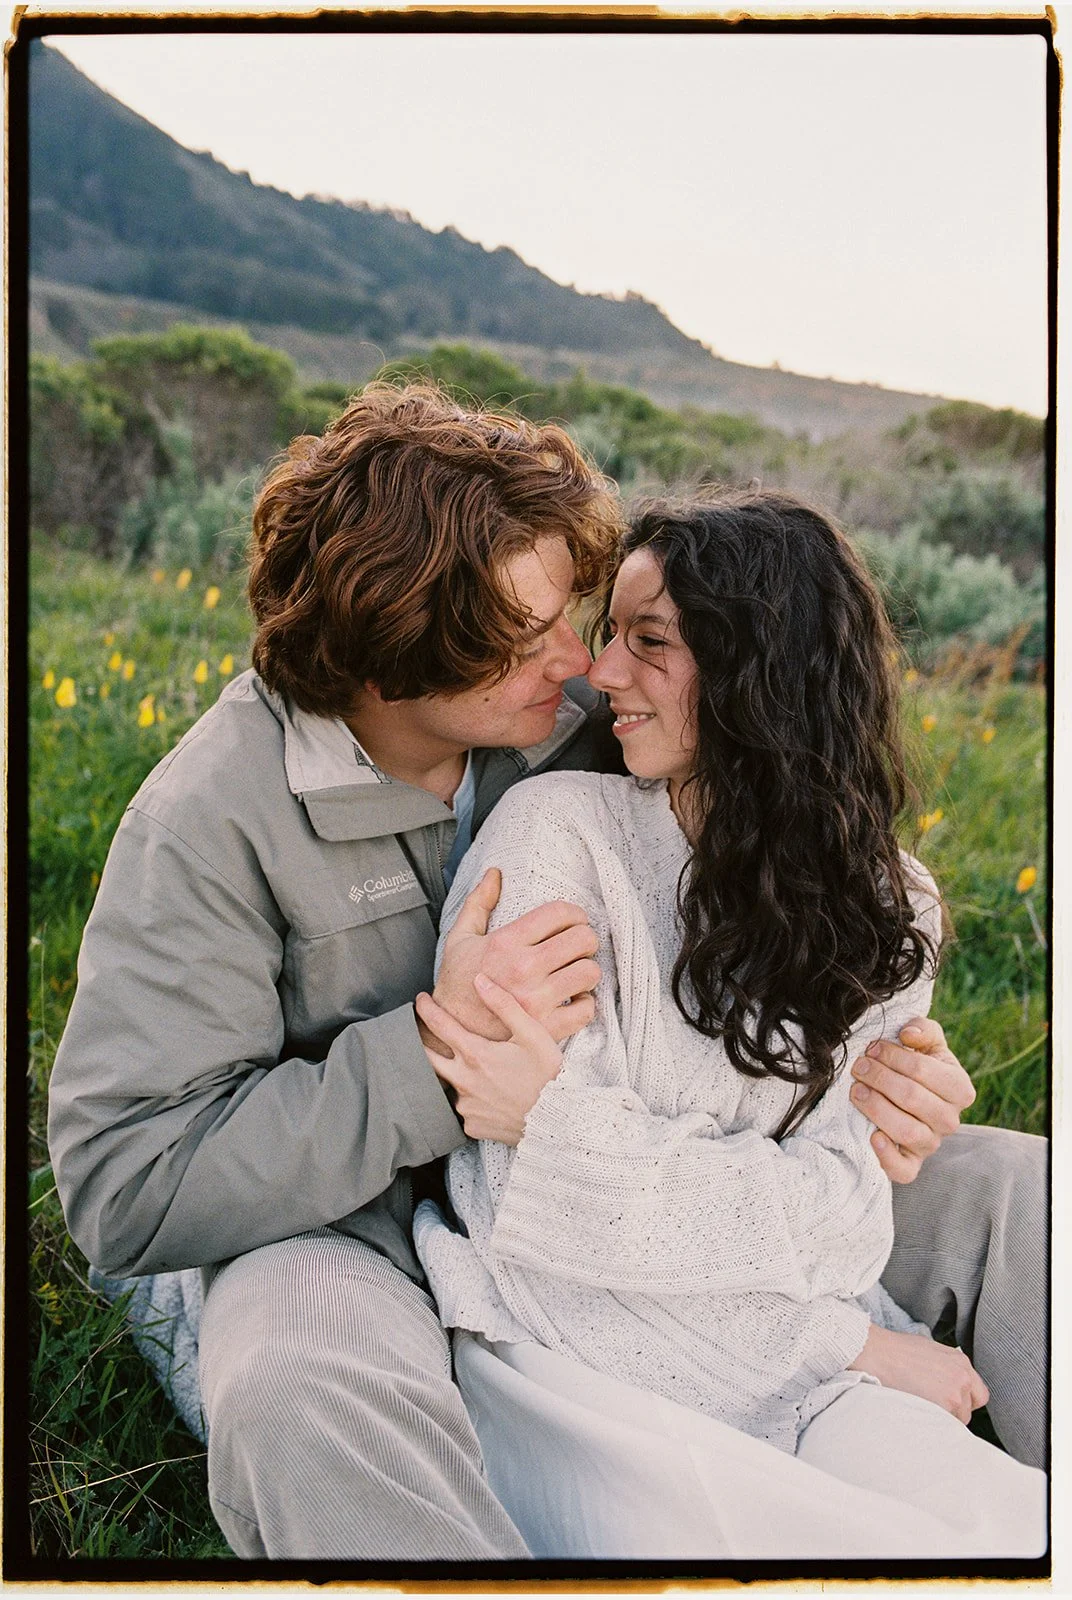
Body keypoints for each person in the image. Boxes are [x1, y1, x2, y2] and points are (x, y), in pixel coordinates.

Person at [46, 385, 1043, 1561]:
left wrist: (881, 1055)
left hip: (652, 1156)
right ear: (389, 652)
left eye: (573, 616)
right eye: (525, 639)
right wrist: (438, 1055)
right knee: (302, 1391)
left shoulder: (582, 715)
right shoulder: (211, 820)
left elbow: (767, 818)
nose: (578, 662)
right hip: (350, 1220)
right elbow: (126, 1184)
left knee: (1018, 1195)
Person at [413, 489, 1047, 1559]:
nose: (599, 671)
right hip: (573, 1361)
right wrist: (843, 1338)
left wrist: (568, 1136)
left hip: (805, 1358)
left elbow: (845, 1222)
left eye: (649, 641)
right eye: (611, 633)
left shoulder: (891, 906)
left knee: (1005, 1528)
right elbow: (534, 1219)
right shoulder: (557, 839)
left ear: (764, 671)